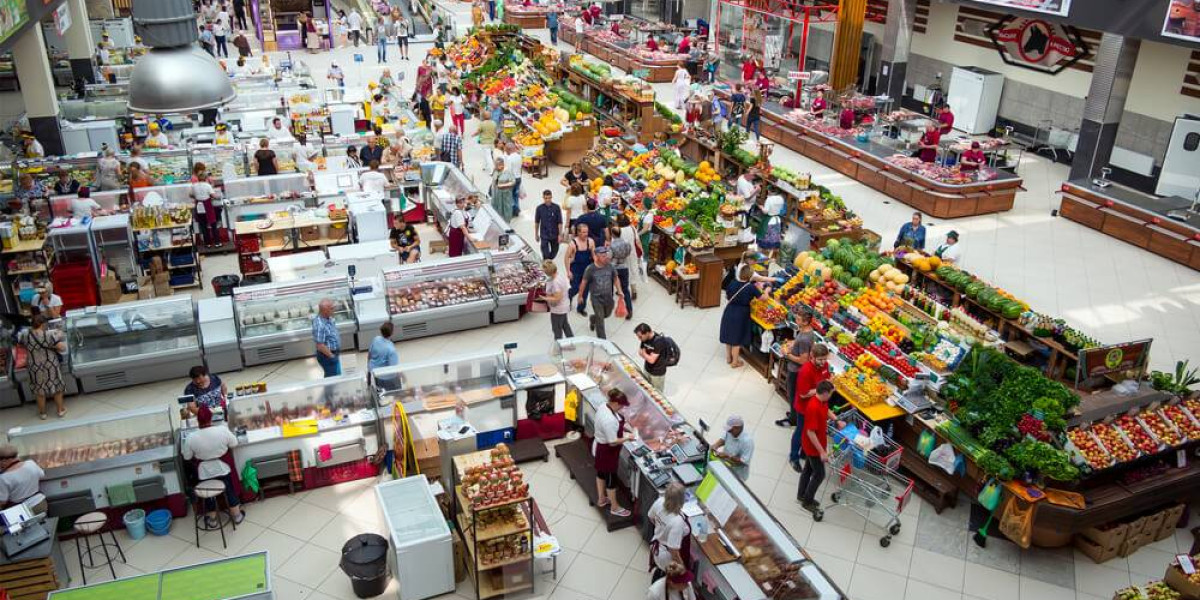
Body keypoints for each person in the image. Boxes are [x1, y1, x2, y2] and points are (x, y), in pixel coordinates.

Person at [181, 406, 245, 528]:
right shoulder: (222, 430)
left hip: (204, 472)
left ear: (197, 420)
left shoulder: (191, 437)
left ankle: (212, 520)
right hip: (223, 468)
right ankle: (237, 516)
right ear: (211, 419)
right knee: (229, 490)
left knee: (209, 494)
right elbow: (234, 443)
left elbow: (187, 457)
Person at [789, 344, 831, 471]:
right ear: (812, 357)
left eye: (825, 359)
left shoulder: (825, 366)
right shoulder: (805, 371)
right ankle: (793, 458)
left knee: (812, 432)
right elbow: (803, 394)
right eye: (820, 359)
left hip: (818, 405)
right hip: (804, 408)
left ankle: (803, 453)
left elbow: (827, 377)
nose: (823, 362)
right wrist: (820, 390)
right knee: (801, 431)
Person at [593, 389, 634, 517]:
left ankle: (601, 499)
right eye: (621, 405)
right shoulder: (609, 420)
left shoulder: (603, 406)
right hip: (608, 452)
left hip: (600, 447)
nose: (622, 408)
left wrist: (625, 427)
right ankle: (614, 507)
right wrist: (628, 438)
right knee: (611, 478)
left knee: (600, 473)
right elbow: (612, 442)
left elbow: (618, 422)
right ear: (615, 403)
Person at [720, 266, 769, 368]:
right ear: (750, 276)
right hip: (741, 313)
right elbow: (763, 299)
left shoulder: (732, 283)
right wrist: (767, 291)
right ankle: (735, 362)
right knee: (737, 338)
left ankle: (729, 357)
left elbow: (727, 295)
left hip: (729, 310)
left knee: (729, 334)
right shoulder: (750, 287)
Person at [797, 381, 834, 512]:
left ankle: (801, 495)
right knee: (819, 474)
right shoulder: (813, 407)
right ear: (824, 393)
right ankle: (807, 501)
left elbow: (826, 410)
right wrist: (822, 452)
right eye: (830, 394)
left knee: (808, 470)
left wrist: (836, 419)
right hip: (813, 446)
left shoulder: (821, 401)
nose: (831, 396)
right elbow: (810, 432)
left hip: (814, 444)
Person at [20, 315, 66, 420]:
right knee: (56, 387)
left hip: (34, 366)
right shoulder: (49, 335)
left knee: (39, 389)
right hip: (50, 365)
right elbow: (62, 348)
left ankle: (43, 413)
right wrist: (54, 343)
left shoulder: (25, 335)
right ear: (43, 324)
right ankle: (60, 410)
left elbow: (22, 345)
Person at [774, 313, 814, 427]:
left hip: (796, 371)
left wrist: (787, 354)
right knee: (792, 393)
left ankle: (793, 420)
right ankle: (794, 413)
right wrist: (793, 344)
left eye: (798, 318)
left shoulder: (804, 339)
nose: (795, 320)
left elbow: (803, 360)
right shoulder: (808, 331)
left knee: (792, 394)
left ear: (805, 322)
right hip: (797, 369)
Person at [648, 483, 690, 580]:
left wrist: (661, 527)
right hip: (666, 555)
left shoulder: (659, 502)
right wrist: (682, 567)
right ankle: (660, 592)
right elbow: (673, 551)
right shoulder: (677, 521)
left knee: (661, 569)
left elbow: (651, 517)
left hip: (656, 544)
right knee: (668, 579)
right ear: (681, 501)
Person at [576, 247, 617, 339]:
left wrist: (620, 290)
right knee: (600, 320)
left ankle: (592, 318)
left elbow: (615, 278)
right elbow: (584, 282)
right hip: (596, 298)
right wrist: (580, 296)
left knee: (606, 314)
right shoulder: (590, 269)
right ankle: (603, 340)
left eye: (606, 255)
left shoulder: (610, 266)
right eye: (603, 256)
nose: (606, 257)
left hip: (608, 297)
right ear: (597, 257)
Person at [564, 222, 595, 316]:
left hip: (587, 269)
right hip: (576, 269)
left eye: (587, 232)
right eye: (584, 232)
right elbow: (566, 258)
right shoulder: (573, 244)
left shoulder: (590, 241)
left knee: (585, 290)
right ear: (578, 232)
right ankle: (568, 297)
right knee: (576, 288)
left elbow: (594, 256)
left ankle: (581, 308)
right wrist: (568, 271)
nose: (586, 234)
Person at [713, 415, 754, 480]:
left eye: (730, 430)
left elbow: (743, 462)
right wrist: (715, 446)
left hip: (737, 475)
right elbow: (723, 439)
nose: (729, 432)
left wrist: (728, 456)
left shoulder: (748, 442)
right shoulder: (730, 431)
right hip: (725, 466)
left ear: (738, 428)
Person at [190, 165, 222, 247]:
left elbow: (190, 195)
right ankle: (217, 243)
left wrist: (197, 197)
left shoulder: (194, 186)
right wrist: (219, 196)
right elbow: (214, 196)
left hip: (198, 205)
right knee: (213, 224)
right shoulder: (207, 186)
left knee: (203, 225)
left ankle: (207, 243)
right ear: (205, 178)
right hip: (207, 205)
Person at [635, 323, 674, 391]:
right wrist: (646, 355)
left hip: (657, 373)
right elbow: (640, 352)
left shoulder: (658, 341)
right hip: (647, 369)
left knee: (657, 392)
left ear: (647, 333)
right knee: (646, 389)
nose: (639, 339)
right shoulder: (644, 339)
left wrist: (644, 353)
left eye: (640, 337)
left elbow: (651, 360)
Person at [542, 261, 574, 340]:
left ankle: (558, 346)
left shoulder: (556, 282)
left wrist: (545, 298)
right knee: (565, 325)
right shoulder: (560, 275)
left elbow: (557, 298)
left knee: (556, 328)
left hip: (558, 309)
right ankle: (571, 342)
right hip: (565, 305)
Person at [312, 299, 342, 377]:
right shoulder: (320, 325)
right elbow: (320, 345)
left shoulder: (328, 318)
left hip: (333, 353)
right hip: (327, 356)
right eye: (332, 308)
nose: (334, 310)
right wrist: (332, 356)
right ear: (325, 311)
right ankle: (329, 389)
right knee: (331, 378)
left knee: (336, 375)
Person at [609, 224, 633, 319]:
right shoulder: (627, 243)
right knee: (625, 290)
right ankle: (629, 310)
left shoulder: (612, 246)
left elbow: (609, 257)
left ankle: (609, 307)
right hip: (624, 267)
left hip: (614, 269)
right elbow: (628, 252)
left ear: (612, 234)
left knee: (610, 287)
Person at [368, 323, 401, 390]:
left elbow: (369, 356)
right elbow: (394, 369)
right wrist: (403, 376)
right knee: (394, 396)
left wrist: (368, 372)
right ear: (392, 332)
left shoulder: (376, 339)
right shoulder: (391, 349)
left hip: (377, 375)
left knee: (381, 395)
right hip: (389, 379)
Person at [615, 214, 641, 297]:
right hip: (632, 252)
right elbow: (637, 241)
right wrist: (641, 251)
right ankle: (634, 290)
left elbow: (614, 243)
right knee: (632, 270)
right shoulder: (632, 228)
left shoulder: (617, 230)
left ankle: (622, 289)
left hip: (621, 254)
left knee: (622, 271)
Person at [535, 190, 564, 260]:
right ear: (543, 198)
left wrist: (560, 235)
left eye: (549, 198)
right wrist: (536, 234)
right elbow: (537, 222)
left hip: (554, 234)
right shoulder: (539, 208)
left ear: (551, 197)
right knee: (545, 253)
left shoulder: (556, 208)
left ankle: (548, 262)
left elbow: (560, 222)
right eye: (546, 198)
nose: (547, 200)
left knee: (554, 251)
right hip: (544, 234)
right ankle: (547, 264)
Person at [490, 157, 516, 222]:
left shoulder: (508, 171)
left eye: (497, 165)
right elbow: (493, 179)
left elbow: (513, 182)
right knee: (496, 207)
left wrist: (503, 185)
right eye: (495, 165)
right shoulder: (495, 170)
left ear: (502, 165)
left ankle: (506, 223)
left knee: (506, 209)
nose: (495, 167)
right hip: (496, 194)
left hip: (505, 194)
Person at [504, 142, 524, 217]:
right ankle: (517, 208)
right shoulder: (519, 156)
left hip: (512, 179)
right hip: (519, 178)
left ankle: (514, 209)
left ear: (509, 150)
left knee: (510, 195)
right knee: (516, 194)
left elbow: (509, 170)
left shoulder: (509, 158)